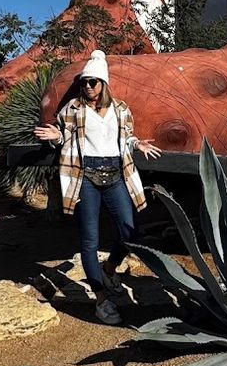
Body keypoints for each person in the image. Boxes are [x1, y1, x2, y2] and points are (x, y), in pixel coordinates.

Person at [33, 50, 161, 325]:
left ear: (103, 83)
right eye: (85, 82)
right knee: (89, 240)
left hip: (116, 174)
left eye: (93, 82)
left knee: (131, 231)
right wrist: (56, 136)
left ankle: (110, 268)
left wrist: (137, 144)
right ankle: (101, 300)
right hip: (85, 177)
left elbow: (124, 138)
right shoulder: (73, 110)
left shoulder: (121, 109)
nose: (88, 87)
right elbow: (63, 136)